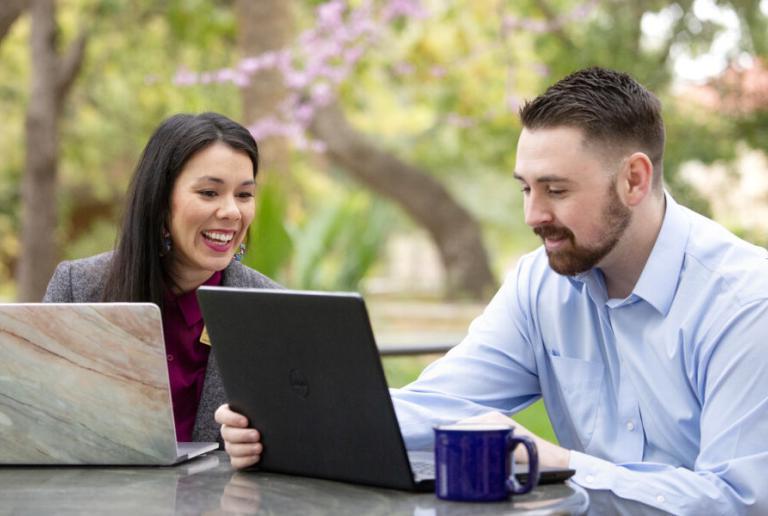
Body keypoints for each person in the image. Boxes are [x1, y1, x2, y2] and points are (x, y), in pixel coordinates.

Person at [215, 68, 768, 514]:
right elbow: (440, 405)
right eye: (526, 188)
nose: (533, 214)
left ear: (634, 180)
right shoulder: (540, 283)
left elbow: (739, 500)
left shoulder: (745, 305)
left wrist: (561, 461)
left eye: (556, 190)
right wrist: (292, 421)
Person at [44, 112, 278, 444]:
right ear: (161, 200)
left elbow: (298, 450)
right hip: (100, 495)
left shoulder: (273, 310)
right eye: (210, 193)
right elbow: (35, 422)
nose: (232, 212)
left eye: (244, 195)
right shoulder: (77, 288)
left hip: (221, 496)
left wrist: (251, 455)